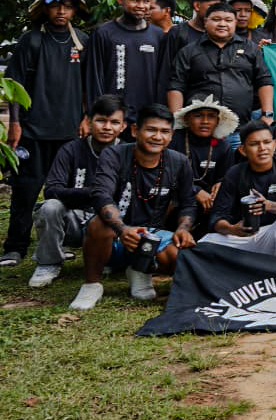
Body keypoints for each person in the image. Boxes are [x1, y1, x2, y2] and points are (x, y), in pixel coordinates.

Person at [70, 104, 196, 310]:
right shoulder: (114, 155)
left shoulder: (179, 161)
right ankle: (92, 285)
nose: (157, 136)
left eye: (164, 131)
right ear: (136, 130)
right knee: (100, 224)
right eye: (151, 130)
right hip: (114, 236)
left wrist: (183, 229)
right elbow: (101, 194)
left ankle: (139, 270)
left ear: (171, 135)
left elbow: (189, 203)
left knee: (179, 255)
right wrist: (122, 229)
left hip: (150, 237)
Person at [4, 0, 89, 267]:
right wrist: (15, 123)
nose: (61, 11)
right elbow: (14, 86)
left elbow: (90, 86)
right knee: (26, 190)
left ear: (74, 10)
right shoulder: (31, 41)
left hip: (69, 133)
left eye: (67, 6)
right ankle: (15, 246)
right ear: (46, 9)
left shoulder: (83, 42)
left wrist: (87, 117)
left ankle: (60, 242)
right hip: (33, 130)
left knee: (65, 192)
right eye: (56, 6)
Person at [31, 95, 127, 288]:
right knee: (50, 207)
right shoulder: (71, 149)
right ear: (89, 121)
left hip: (111, 222)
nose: (107, 127)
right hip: (74, 219)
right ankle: (48, 263)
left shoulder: (128, 153)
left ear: (123, 126)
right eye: (101, 120)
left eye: (114, 122)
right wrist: (93, 193)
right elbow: (52, 189)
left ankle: (109, 258)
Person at [200, 119, 276, 257]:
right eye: (254, 144)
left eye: (267, 142)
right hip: (243, 238)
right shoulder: (235, 172)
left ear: (274, 145)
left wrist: (268, 205)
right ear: (243, 150)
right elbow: (217, 218)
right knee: (205, 244)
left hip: (274, 235)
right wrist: (232, 229)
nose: (262, 148)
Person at [166, 2, 273, 131]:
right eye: (216, 19)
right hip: (199, 129)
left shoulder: (250, 48)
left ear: (235, 23)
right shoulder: (189, 51)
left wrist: (267, 114)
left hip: (241, 129)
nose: (222, 24)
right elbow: (176, 86)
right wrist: (177, 121)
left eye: (228, 20)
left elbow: (264, 80)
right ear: (206, 21)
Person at [83, 0, 163, 128]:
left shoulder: (158, 36)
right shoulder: (103, 33)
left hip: (146, 117)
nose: (141, 6)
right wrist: (94, 114)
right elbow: (93, 76)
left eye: (145, 1)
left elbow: (163, 78)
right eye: (135, 0)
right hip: (111, 118)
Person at [170, 96, 238, 234]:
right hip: (179, 196)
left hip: (209, 201)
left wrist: (220, 184)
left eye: (211, 116)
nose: (205, 121)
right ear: (186, 119)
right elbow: (168, 175)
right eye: (198, 116)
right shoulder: (174, 140)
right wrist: (195, 191)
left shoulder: (223, 146)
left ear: (218, 121)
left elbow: (226, 177)